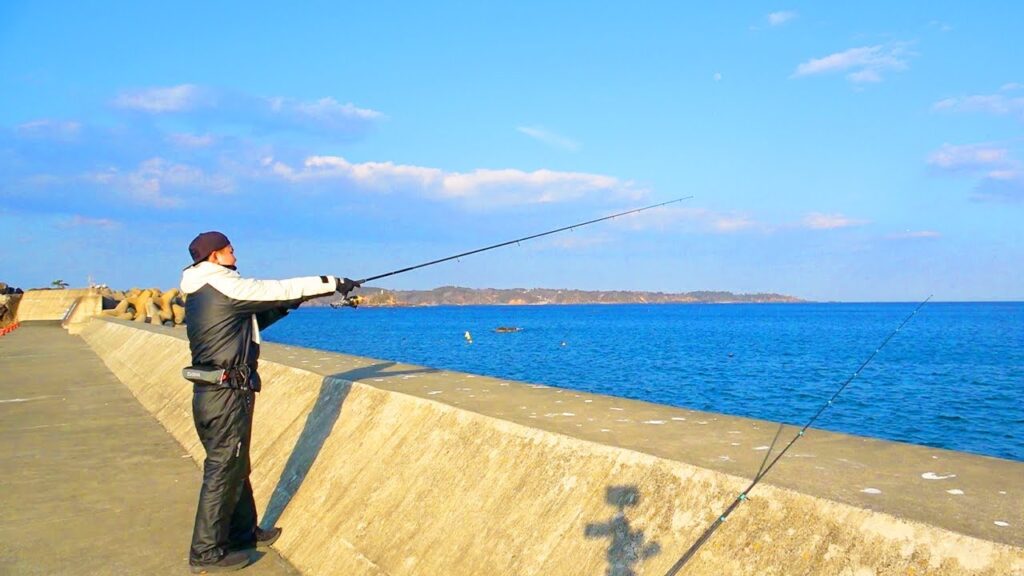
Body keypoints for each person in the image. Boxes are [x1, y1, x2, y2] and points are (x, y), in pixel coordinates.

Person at [180, 231, 358, 573]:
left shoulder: (202, 292)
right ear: (214, 256)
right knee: (223, 467)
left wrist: (292, 304)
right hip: (225, 394)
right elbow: (276, 289)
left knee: (235, 463)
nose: (234, 253)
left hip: (213, 392)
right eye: (229, 249)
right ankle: (205, 553)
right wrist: (331, 282)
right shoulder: (223, 284)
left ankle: (245, 533)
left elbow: (251, 322)